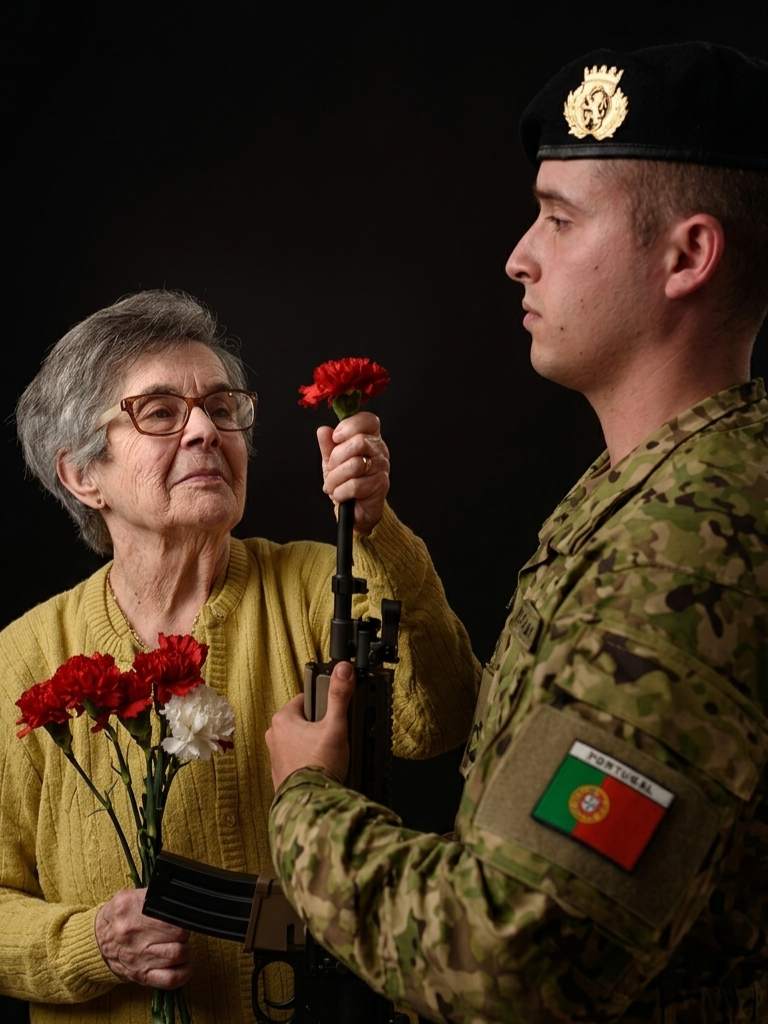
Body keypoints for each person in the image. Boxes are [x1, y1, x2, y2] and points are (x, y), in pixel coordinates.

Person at [265, 42, 768, 1023]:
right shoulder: (639, 489)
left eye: (559, 218)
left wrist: (307, 805)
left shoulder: (698, 535)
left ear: (688, 256)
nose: (518, 255)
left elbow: (507, 961)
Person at [0, 289, 480, 1023]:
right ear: (80, 475)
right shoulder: (22, 656)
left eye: (222, 409)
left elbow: (440, 720)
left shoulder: (323, 582)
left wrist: (378, 530)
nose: (205, 431)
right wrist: (89, 944)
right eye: (159, 413)